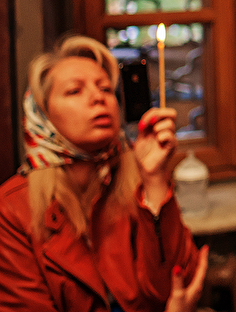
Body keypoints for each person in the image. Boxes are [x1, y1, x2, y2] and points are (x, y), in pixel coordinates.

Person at [0, 35, 206, 312]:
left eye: (106, 89)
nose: (98, 98)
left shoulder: (135, 182)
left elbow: (176, 287)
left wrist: (155, 179)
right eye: (74, 91)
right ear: (42, 115)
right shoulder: (11, 210)